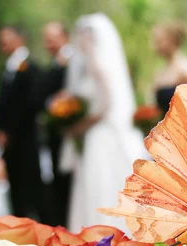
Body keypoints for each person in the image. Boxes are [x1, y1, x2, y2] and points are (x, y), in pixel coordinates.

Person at [63, 13, 147, 233]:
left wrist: (83, 125)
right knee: (92, 185)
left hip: (100, 133)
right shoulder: (90, 66)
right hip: (95, 134)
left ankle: (105, 231)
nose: (79, 41)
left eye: (82, 36)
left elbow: (105, 105)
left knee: (102, 183)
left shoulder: (98, 65)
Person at [0, 26, 49, 220]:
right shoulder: (6, 68)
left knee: (31, 186)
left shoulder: (30, 68)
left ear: (19, 38)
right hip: (9, 142)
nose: (3, 43)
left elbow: (30, 105)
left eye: (7, 38)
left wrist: (10, 131)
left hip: (25, 139)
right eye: (0, 39)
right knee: (15, 186)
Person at [38, 21, 73, 227]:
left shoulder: (71, 61)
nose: (49, 43)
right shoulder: (54, 63)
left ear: (64, 37)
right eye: (46, 40)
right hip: (54, 130)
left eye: (53, 38)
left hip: (67, 131)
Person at [152, 21, 187, 114]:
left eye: (159, 41)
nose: (155, 46)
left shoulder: (185, 69)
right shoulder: (160, 72)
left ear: (172, 40)